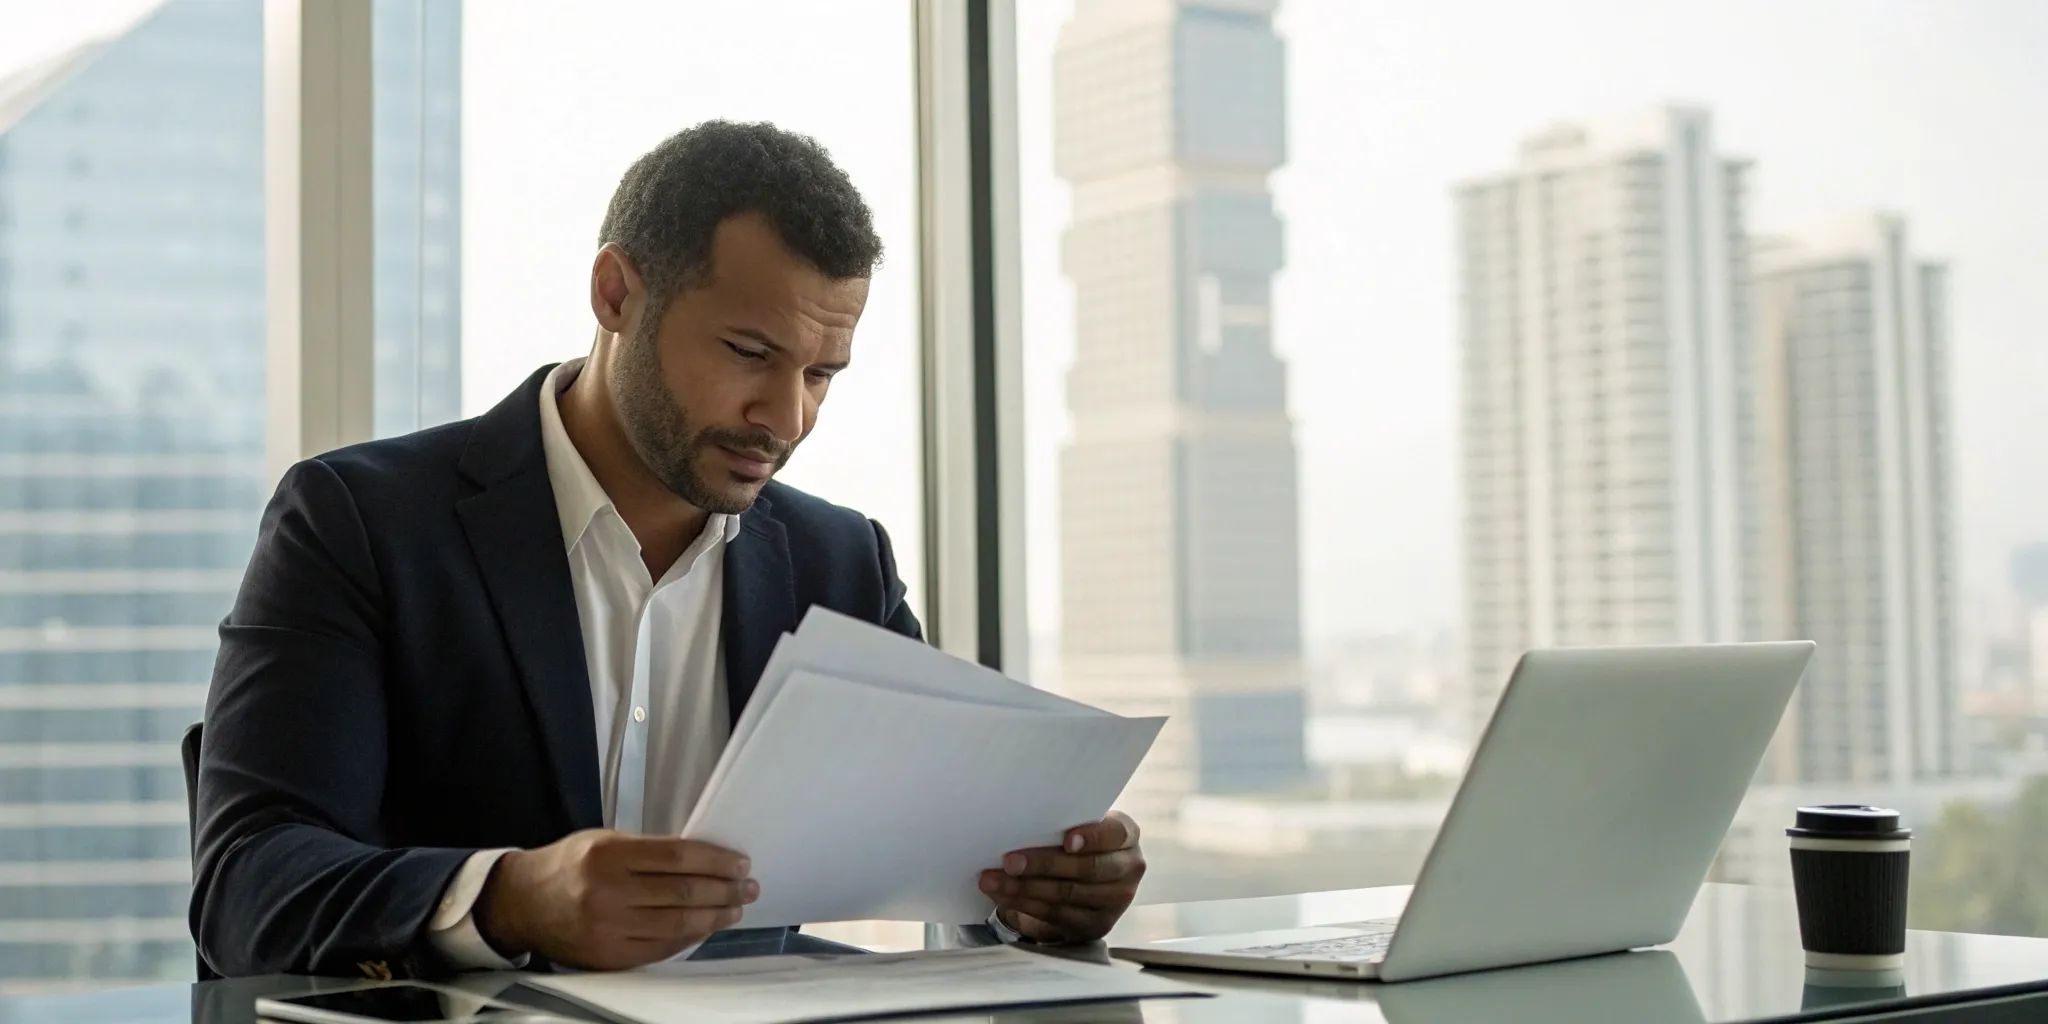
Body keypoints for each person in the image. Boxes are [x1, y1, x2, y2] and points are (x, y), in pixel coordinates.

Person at [191, 120, 1145, 978]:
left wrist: (1043, 898)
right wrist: (513, 896)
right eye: (748, 353)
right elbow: (247, 881)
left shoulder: (843, 561)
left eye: (822, 374)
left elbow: (949, 864)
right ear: (617, 294)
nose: (787, 417)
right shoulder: (359, 520)